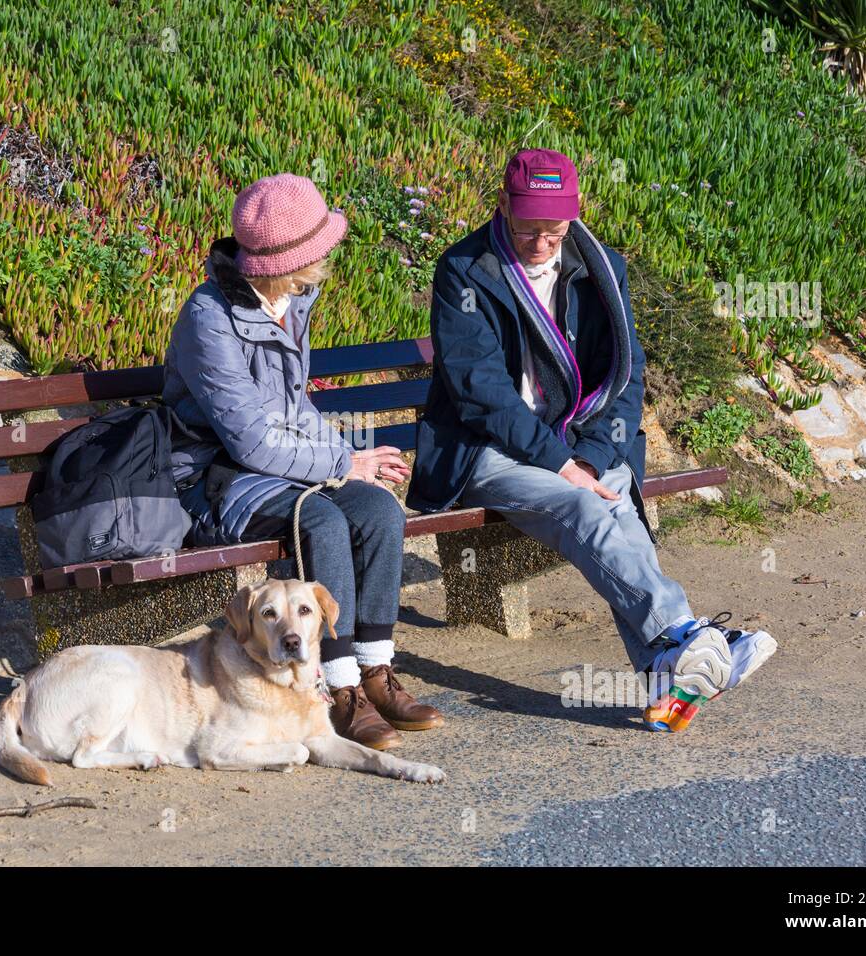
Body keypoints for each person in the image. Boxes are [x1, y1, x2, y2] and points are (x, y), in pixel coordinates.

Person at [407, 148, 777, 732]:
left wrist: (595, 455)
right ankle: (688, 636)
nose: (540, 245)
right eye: (528, 230)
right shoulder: (464, 269)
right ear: (502, 206)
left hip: (579, 441)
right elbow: (480, 394)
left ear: (573, 219)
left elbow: (625, 377)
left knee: (610, 496)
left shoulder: (602, 267)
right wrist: (563, 465)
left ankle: (668, 666)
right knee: (589, 502)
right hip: (486, 450)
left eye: (553, 232)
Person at [163, 172, 444, 750]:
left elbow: (293, 408)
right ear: (287, 260)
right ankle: (336, 688)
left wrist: (351, 461)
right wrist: (342, 460)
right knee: (322, 520)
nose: (327, 261)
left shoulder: (289, 300)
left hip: (273, 469)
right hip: (216, 479)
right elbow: (251, 444)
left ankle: (373, 669)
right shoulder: (208, 318)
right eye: (318, 252)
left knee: (378, 511)